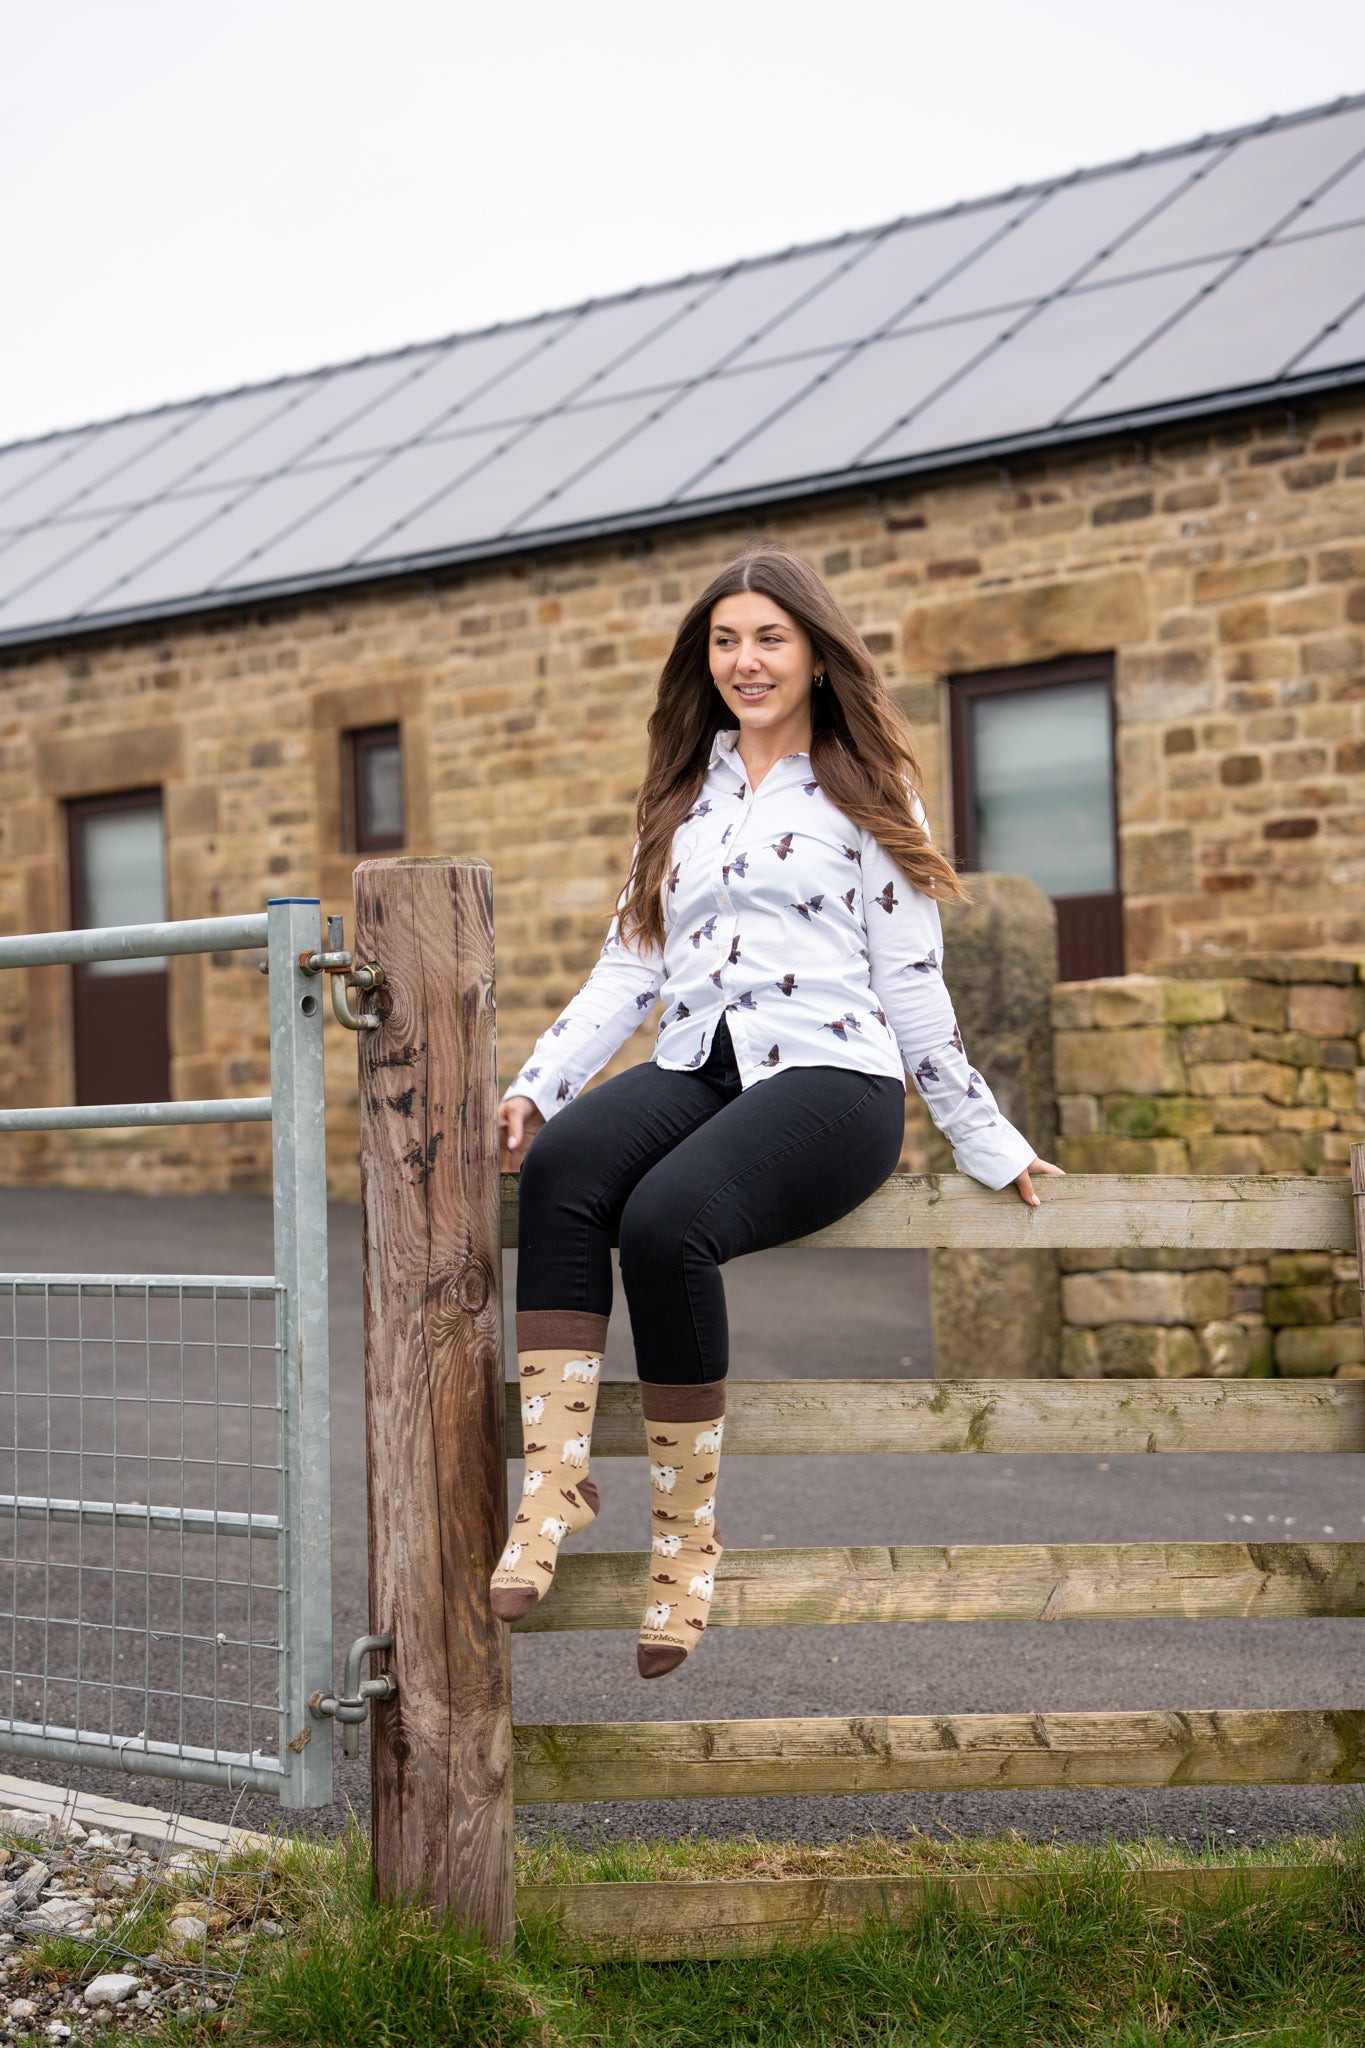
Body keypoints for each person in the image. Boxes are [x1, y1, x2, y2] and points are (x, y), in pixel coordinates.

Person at [493, 546, 1061, 1677]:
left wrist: (984, 1135)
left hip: (834, 1080)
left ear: (813, 652)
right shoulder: (679, 797)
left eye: (769, 638)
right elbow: (628, 967)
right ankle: (553, 1481)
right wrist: (535, 1084)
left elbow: (912, 982)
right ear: (704, 661)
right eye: (725, 640)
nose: (745, 661)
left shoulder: (865, 787)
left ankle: (683, 1541)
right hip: (704, 1061)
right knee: (563, 1171)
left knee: (665, 1222)